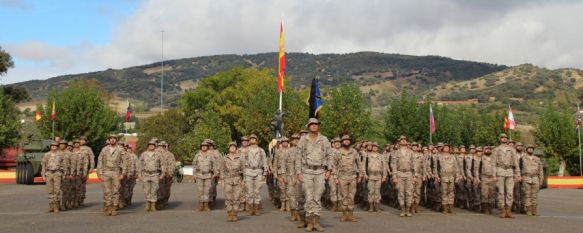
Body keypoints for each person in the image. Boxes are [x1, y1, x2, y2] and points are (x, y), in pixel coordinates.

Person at [296, 118, 332, 232]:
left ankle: (316, 222)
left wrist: (329, 170)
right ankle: (310, 222)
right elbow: (298, 157)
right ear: (308, 126)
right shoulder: (303, 140)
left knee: (317, 196)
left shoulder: (324, 139)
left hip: (320, 172)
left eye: (316, 124)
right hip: (307, 171)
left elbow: (329, 155)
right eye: (312, 124)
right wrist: (298, 172)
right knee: (308, 197)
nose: (314, 126)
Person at [331, 135, 362, 222]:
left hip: (352, 177)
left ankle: (351, 215)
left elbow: (359, 164)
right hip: (342, 177)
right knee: (344, 196)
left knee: (351, 196)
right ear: (342, 142)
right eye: (345, 140)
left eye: (348, 140)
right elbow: (334, 165)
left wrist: (360, 175)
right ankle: (344, 215)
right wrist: (335, 177)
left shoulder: (354, 152)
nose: (347, 141)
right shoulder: (338, 152)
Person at [97, 134, 127, 216]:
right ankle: (108, 207)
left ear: (116, 140)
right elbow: (100, 161)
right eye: (111, 138)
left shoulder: (120, 149)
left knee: (115, 191)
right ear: (109, 140)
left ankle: (114, 208)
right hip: (106, 172)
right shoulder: (104, 149)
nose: (112, 140)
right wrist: (99, 173)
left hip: (116, 172)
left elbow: (124, 162)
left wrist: (123, 173)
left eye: (114, 138)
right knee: (107, 191)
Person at [493, 133, 521, 218]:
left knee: (510, 192)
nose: (504, 139)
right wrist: (494, 175)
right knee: (501, 192)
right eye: (502, 138)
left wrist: (518, 174)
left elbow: (516, 162)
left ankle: (508, 210)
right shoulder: (496, 149)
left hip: (509, 171)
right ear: (500, 139)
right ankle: (502, 210)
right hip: (500, 170)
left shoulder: (512, 150)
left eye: (505, 138)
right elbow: (493, 163)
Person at [390, 136, 416, 217]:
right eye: (402, 140)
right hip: (400, 173)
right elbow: (394, 165)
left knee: (409, 192)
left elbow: (414, 164)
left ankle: (408, 209)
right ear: (399, 142)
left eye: (405, 140)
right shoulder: (396, 152)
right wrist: (394, 176)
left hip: (409, 174)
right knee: (401, 192)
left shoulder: (411, 152)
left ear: (407, 142)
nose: (404, 141)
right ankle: (402, 209)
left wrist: (415, 176)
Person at [243, 134, 268, 216]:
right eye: (251, 139)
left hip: (258, 171)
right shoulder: (246, 150)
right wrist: (243, 174)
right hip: (249, 171)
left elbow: (265, 162)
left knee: (257, 191)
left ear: (257, 140)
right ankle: (250, 209)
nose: (252, 140)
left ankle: (256, 209)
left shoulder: (261, 150)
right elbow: (242, 162)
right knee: (249, 191)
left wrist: (265, 173)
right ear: (249, 140)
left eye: (254, 138)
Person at [138, 140, 165, 212]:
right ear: (148, 146)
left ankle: (153, 205)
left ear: (155, 146)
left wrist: (162, 174)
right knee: (146, 190)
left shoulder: (158, 154)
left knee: (154, 190)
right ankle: (147, 204)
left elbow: (162, 164)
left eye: (153, 145)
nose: (151, 146)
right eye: (150, 145)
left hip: (155, 174)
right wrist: (139, 174)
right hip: (146, 174)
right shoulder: (143, 154)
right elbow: (139, 165)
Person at [221, 141, 245, 222]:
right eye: (231, 147)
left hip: (237, 179)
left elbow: (244, 170)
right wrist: (222, 180)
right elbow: (222, 170)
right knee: (228, 197)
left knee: (236, 197)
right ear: (228, 148)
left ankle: (235, 214)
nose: (232, 148)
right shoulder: (225, 158)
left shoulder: (240, 158)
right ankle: (229, 214)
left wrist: (243, 180)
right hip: (228, 179)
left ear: (236, 148)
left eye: (234, 147)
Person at [41, 141, 67, 213]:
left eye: (55, 146)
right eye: (52, 146)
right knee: (50, 191)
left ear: (57, 147)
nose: (53, 147)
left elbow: (64, 165)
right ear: (50, 147)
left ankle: (56, 206)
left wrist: (64, 174)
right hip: (49, 173)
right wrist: (43, 175)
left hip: (57, 173)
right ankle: (51, 206)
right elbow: (43, 165)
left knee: (57, 190)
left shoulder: (61, 155)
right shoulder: (47, 155)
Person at [192, 140, 218, 212]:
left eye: (205, 146)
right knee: (200, 191)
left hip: (208, 175)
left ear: (207, 147)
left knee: (207, 191)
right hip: (199, 175)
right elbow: (194, 165)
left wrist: (215, 173)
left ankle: (206, 206)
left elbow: (214, 164)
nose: (204, 147)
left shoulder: (210, 155)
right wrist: (194, 174)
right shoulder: (197, 155)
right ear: (201, 147)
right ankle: (200, 206)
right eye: (202, 146)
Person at [435, 143, 460, 214]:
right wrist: (437, 176)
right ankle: (445, 208)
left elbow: (456, 167)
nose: (446, 148)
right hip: (443, 177)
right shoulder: (439, 157)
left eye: (448, 147)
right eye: (445, 147)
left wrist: (457, 176)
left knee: (451, 193)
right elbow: (436, 168)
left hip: (451, 177)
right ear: (443, 148)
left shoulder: (452, 157)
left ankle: (451, 208)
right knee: (444, 192)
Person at [521, 145, 543, 216]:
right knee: (527, 195)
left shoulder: (537, 159)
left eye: (532, 149)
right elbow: (519, 168)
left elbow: (541, 170)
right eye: (529, 148)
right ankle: (529, 210)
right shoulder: (522, 158)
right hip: (526, 177)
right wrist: (520, 177)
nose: (530, 150)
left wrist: (541, 179)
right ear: (526, 149)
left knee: (534, 195)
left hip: (535, 178)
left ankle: (534, 210)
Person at [273, 137, 292, 212]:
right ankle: (283, 204)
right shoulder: (278, 151)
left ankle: (288, 205)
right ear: (281, 143)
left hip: (290, 173)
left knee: (289, 189)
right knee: (282, 189)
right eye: (283, 142)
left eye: (286, 142)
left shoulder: (291, 151)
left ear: (288, 142)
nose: (285, 143)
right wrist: (275, 173)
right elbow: (275, 163)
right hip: (280, 173)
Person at [477, 146, 496, 215]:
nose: (488, 151)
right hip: (484, 177)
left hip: (492, 177)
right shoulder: (481, 158)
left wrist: (496, 176)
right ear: (484, 151)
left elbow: (495, 168)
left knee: (492, 193)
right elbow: (477, 169)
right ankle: (485, 208)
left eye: (489, 150)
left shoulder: (494, 159)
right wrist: (477, 178)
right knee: (484, 193)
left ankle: (490, 208)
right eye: (486, 149)